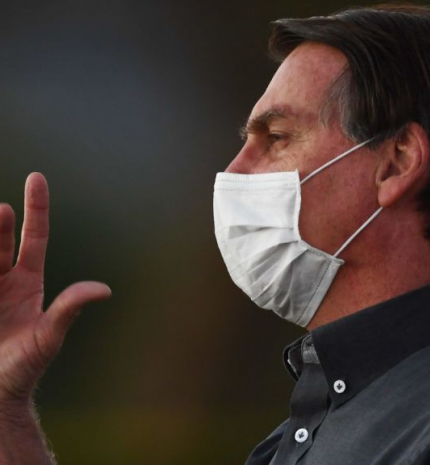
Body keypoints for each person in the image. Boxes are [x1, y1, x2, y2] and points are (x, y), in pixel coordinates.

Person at [1, 3, 430, 464]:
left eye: (277, 137)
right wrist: (7, 412)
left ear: (397, 162)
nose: (234, 171)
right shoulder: (324, 412)